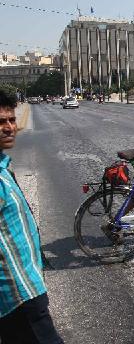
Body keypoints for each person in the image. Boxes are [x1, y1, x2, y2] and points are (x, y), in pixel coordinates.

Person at [0, 89, 64, 343]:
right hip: (18, 294)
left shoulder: (3, 167)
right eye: (0, 122)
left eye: (11, 120)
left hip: (26, 288)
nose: (9, 128)